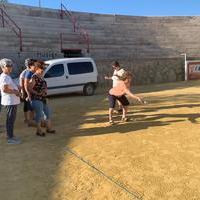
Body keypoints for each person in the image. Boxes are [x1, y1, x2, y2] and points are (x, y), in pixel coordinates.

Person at [29, 61, 55, 136]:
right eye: (42, 68)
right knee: (39, 115)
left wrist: (45, 92)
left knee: (47, 113)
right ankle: (39, 131)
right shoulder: (34, 77)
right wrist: (38, 93)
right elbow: (30, 88)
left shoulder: (41, 76)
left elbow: (44, 87)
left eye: (44, 68)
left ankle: (49, 128)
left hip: (43, 98)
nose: (43, 70)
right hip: (36, 99)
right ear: (37, 68)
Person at [0, 58, 21, 144]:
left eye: (10, 65)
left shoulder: (6, 76)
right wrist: (15, 91)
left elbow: (7, 88)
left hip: (11, 101)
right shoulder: (5, 76)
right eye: (7, 66)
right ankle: (10, 138)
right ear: (2, 67)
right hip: (10, 102)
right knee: (10, 120)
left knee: (11, 120)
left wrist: (16, 87)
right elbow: (4, 89)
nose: (10, 67)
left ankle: (11, 136)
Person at [19, 58, 36, 125]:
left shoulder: (32, 71)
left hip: (30, 90)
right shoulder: (24, 72)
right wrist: (23, 92)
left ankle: (31, 117)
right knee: (27, 105)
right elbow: (22, 83)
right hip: (26, 91)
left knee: (31, 105)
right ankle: (27, 119)